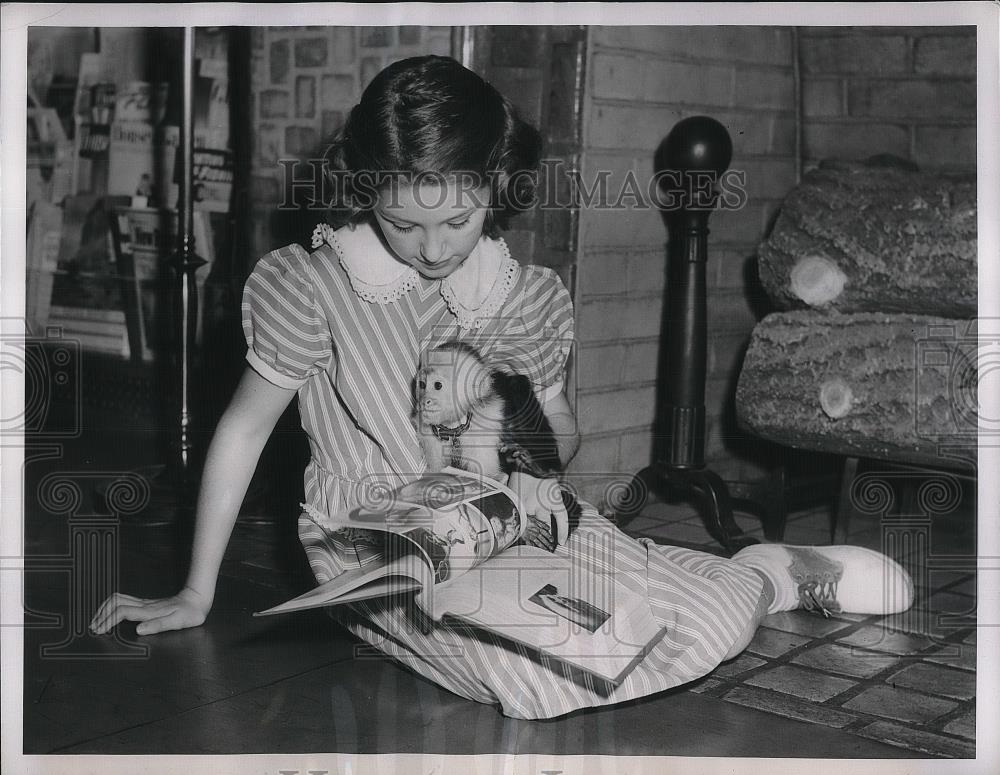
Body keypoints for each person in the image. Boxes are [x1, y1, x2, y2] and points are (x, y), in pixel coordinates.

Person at [90, 55, 914, 720]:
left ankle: (769, 571)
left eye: (459, 220)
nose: (433, 248)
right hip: (375, 545)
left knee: (651, 620)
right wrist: (197, 589)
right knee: (544, 680)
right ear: (366, 188)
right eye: (403, 223)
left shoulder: (522, 293)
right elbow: (240, 430)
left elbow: (558, 452)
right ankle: (737, 578)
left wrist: (528, 409)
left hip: (508, 523)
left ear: (495, 185)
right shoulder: (313, 285)